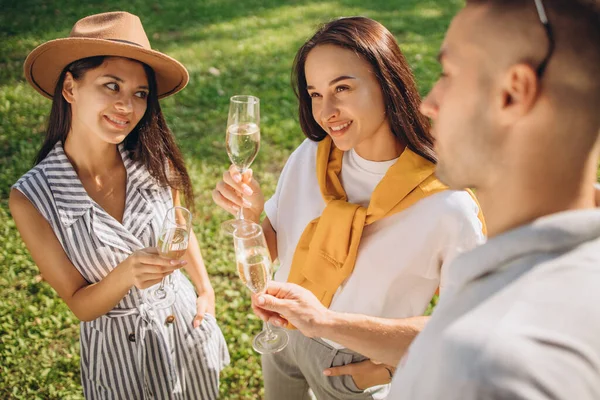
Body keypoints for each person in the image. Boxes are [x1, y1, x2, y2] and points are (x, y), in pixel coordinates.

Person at [257, 1, 600, 399]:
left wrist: (373, 360)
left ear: (513, 92)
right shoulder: (557, 282)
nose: (428, 102)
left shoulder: (487, 363)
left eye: (449, 74)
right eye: (316, 93)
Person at [212, 16, 485, 399]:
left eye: (342, 87)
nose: (327, 111)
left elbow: (471, 322)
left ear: (387, 83)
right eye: (316, 93)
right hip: (283, 339)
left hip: (354, 365)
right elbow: (273, 249)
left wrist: (383, 369)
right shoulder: (310, 157)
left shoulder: (446, 204)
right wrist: (249, 215)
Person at [10, 12, 229, 399]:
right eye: (111, 86)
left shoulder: (154, 160)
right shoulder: (32, 197)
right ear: (70, 88)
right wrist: (126, 273)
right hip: (118, 359)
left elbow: (181, 226)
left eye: (140, 93)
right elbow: (80, 304)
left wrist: (205, 290)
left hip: (185, 333)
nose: (127, 106)